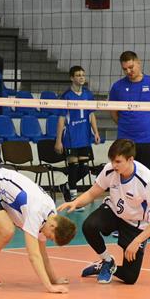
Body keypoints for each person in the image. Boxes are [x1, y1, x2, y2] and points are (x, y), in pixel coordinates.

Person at [59, 138, 150, 285]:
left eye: (118, 161)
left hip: (135, 224)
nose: (114, 165)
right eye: (112, 161)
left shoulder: (147, 181)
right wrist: (75, 202)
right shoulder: (110, 170)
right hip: (114, 212)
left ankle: (107, 268)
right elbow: (92, 193)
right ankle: (107, 260)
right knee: (89, 225)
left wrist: (137, 241)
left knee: (130, 277)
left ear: (130, 159)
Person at [108, 51, 150, 173]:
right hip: (124, 141)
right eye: (125, 69)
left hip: (148, 140)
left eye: (131, 67)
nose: (128, 71)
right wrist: (124, 125)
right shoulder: (117, 87)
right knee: (124, 176)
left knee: (146, 177)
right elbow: (113, 112)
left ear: (138, 63)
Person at [54, 65, 101, 201]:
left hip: (84, 136)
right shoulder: (66, 96)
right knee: (73, 167)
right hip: (71, 137)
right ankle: (73, 198)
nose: (81, 77)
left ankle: (66, 186)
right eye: (78, 75)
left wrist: (96, 132)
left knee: (85, 169)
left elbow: (91, 114)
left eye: (83, 75)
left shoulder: (88, 94)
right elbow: (61, 119)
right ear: (72, 78)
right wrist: (58, 141)